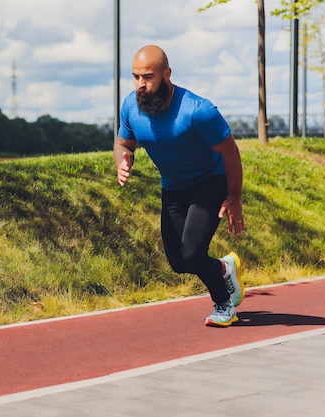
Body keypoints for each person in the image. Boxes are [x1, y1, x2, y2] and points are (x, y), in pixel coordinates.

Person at [113, 45, 246, 327]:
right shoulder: (130, 107)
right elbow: (124, 142)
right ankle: (224, 267)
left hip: (210, 181)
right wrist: (122, 161)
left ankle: (224, 305)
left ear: (167, 74)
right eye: (135, 77)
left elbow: (231, 152)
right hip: (173, 187)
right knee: (178, 262)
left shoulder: (198, 111)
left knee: (193, 252)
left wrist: (234, 198)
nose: (140, 85)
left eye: (147, 77)